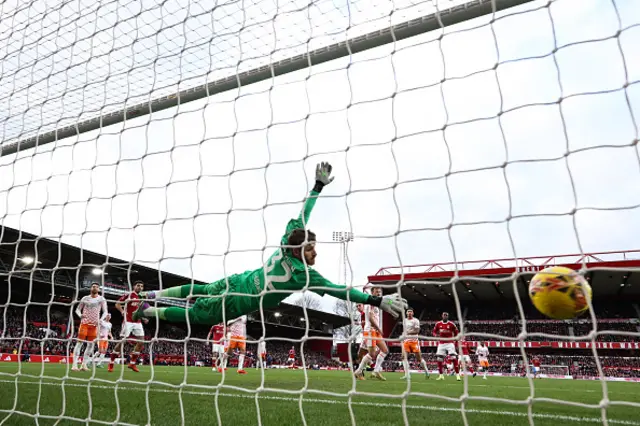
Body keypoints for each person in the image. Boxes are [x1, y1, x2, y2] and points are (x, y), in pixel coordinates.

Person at [132, 162, 407, 326]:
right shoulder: (304, 275)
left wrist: (317, 187)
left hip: (239, 280)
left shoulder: (286, 241)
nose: (316, 251)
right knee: (198, 316)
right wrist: (377, 300)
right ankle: (149, 309)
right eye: (312, 248)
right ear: (301, 250)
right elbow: (340, 291)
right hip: (236, 302)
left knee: (202, 288)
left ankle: (150, 295)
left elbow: (303, 215)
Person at [108, 281, 147, 373]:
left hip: (137, 322)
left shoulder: (142, 297)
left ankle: (132, 363)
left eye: (142, 286)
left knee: (141, 341)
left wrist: (144, 317)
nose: (140, 287)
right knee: (122, 342)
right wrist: (122, 311)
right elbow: (117, 303)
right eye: (138, 285)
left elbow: (139, 310)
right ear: (134, 286)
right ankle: (111, 363)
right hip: (128, 321)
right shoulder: (129, 295)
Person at [354, 286, 388, 381]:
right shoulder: (370, 303)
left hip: (375, 331)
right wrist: (379, 329)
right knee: (371, 354)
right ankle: (358, 371)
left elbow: (387, 302)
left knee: (385, 350)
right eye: (377, 292)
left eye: (379, 292)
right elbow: (371, 318)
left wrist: (391, 303)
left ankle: (376, 371)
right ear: (372, 292)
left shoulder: (377, 303)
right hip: (370, 331)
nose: (378, 293)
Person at [72, 283, 108, 371]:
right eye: (93, 286)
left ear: (99, 289)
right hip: (84, 324)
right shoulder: (85, 298)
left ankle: (84, 365)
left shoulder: (101, 299)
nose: (94, 288)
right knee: (79, 343)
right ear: (90, 288)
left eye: (96, 287)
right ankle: (74, 365)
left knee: (90, 346)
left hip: (94, 325)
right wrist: (80, 315)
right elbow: (77, 309)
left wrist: (101, 320)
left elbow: (105, 312)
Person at [400, 308, 429, 379]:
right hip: (406, 341)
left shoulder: (416, 320)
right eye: (408, 312)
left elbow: (417, 331)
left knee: (419, 359)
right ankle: (407, 375)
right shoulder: (404, 320)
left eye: (411, 312)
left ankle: (426, 371)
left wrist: (408, 333)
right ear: (406, 313)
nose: (409, 313)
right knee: (404, 357)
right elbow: (404, 330)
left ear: (413, 313)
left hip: (414, 341)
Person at [433, 312, 460, 381]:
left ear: (448, 316)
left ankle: (457, 375)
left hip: (450, 343)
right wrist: (435, 335)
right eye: (444, 315)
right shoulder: (438, 324)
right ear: (442, 316)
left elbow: (457, 332)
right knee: (439, 359)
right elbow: (434, 331)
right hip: (441, 343)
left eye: (446, 315)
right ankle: (441, 375)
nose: (445, 316)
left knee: (453, 357)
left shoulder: (451, 324)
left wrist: (456, 341)